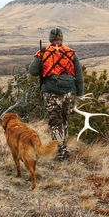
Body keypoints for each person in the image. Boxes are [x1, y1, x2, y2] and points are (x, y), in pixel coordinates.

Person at [29, 27, 84, 161]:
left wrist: (39, 57)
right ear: (61, 38)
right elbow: (79, 75)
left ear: (50, 39)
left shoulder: (43, 52)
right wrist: (80, 94)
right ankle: (64, 150)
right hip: (67, 92)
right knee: (64, 120)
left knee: (55, 123)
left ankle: (60, 153)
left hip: (51, 92)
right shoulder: (71, 53)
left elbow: (33, 71)